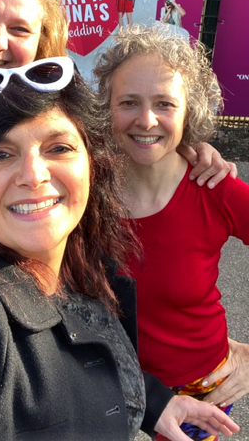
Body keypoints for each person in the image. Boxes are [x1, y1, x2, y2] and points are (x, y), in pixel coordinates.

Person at [0, 59, 239, 440]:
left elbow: (97, 346)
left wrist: (156, 403)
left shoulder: (79, 247)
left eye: (58, 147)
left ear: (93, 163)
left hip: (200, 387)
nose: (33, 176)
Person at [0, 0, 235, 187]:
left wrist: (189, 149)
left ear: (42, 39)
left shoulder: (59, 99)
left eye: (20, 28)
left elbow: (108, 138)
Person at [94, 26, 249, 441]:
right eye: (129, 102)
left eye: (165, 104)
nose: (147, 120)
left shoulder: (216, 189)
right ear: (106, 108)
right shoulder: (83, 189)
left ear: (188, 113)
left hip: (202, 385)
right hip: (108, 376)